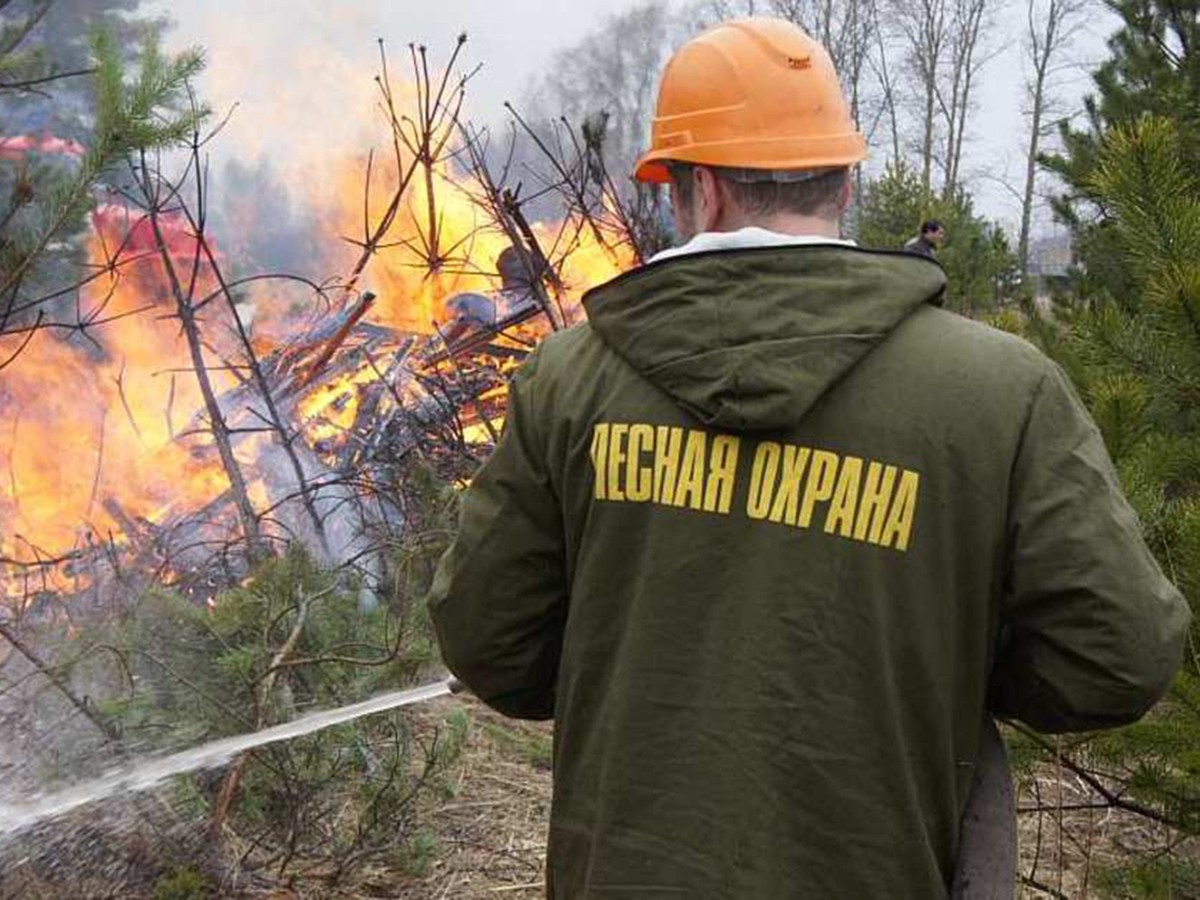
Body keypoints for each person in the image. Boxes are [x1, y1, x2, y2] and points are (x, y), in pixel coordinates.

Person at [428, 18, 1190, 899]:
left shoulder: (569, 379)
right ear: (846, 181)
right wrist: (941, 656)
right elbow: (1121, 656)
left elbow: (488, 641)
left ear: (701, 190)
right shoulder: (1001, 389)